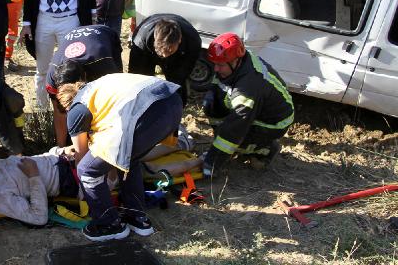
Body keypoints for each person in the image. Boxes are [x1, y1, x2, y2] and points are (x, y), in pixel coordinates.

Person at [57, 73, 183, 241]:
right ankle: (137, 218)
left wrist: (87, 192)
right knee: (129, 159)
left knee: (87, 170)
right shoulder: (98, 88)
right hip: (171, 101)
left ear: (67, 106)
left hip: (145, 112)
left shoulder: (76, 110)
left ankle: (109, 225)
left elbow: (82, 155)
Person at [0, 135, 196, 226]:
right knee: (133, 164)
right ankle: (200, 161)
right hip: (78, 181)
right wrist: (34, 176)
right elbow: (38, 217)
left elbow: (36, 161)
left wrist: (58, 150)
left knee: (126, 153)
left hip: (64, 161)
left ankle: (179, 143)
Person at [199, 33, 294, 177]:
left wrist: (212, 161)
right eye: (214, 64)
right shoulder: (234, 63)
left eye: (220, 65)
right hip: (253, 108)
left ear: (235, 61)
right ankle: (228, 146)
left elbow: (236, 126)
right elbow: (218, 86)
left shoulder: (249, 86)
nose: (216, 69)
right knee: (211, 105)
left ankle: (266, 149)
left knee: (236, 138)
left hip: (273, 122)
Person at [45, 25, 123, 147]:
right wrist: (60, 148)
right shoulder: (51, 77)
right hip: (73, 34)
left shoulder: (103, 65)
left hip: (105, 35)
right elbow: (59, 113)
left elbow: (116, 101)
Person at [128, 13, 202, 106]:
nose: (164, 55)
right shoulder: (140, 40)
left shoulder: (192, 41)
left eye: (169, 51)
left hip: (179, 54)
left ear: (179, 40)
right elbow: (135, 74)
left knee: (177, 84)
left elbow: (184, 71)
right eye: (161, 51)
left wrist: (174, 85)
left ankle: (177, 107)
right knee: (141, 83)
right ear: (155, 39)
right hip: (147, 52)